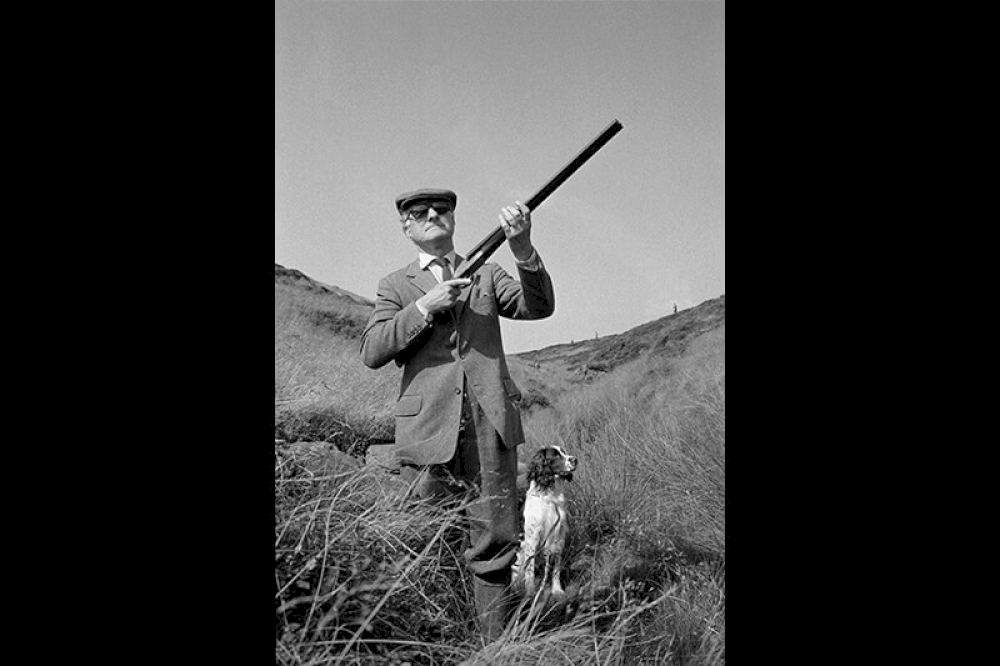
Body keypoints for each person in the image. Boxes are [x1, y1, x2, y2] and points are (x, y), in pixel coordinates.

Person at [360, 187, 555, 640]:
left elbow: (539, 307)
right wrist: (425, 307)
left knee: (493, 548)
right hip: (427, 430)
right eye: (418, 211)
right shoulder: (395, 285)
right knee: (424, 541)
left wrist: (523, 249)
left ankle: (493, 650)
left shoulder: (488, 272)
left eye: (442, 209)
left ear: (453, 219)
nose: (432, 214)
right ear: (405, 226)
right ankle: (434, 642)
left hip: (490, 428)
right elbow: (373, 350)